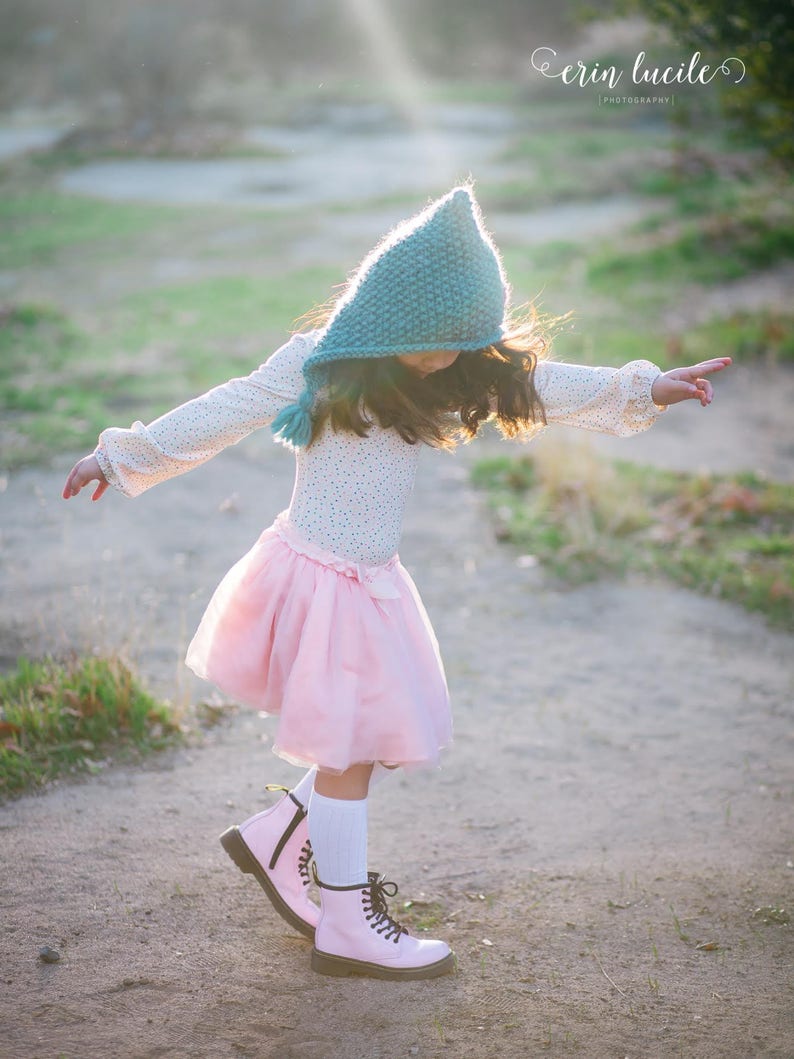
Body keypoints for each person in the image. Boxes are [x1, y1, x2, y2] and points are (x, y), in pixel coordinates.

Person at [62, 184, 731, 981]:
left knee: (374, 732)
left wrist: (643, 386)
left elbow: (539, 385)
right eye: (438, 340)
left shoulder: (450, 368)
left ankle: (281, 833)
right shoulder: (321, 365)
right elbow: (230, 406)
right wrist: (122, 454)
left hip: (371, 580)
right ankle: (343, 916)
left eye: (464, 341)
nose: (450, 357)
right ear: (394, 318)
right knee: (353, 745)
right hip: (324, 580)